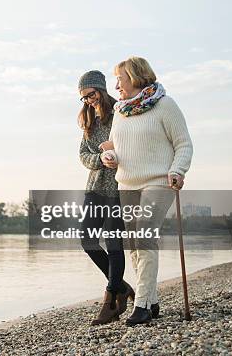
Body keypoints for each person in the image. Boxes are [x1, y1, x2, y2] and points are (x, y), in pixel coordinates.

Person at [100, 57, 193, 326]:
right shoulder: (121, 111)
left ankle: (140, 306)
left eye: (120, 78)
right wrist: (110, 156)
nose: (115, 85)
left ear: (135, 77)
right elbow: (118, 148)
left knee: (144, 237)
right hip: (127, 183)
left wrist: (178, 170)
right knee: (135, 245)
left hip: (158, 181)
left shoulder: (165, 104)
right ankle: (151, 301)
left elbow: (183, 144)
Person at [77, 70, 135, 325]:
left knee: (113, 243)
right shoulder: (89, 120)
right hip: (95, 188)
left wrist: (115, 153)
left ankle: (111, 299)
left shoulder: (121, 114)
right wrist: (99, 159)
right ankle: (121, 286)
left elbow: (133, 145)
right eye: (84, 98)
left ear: (101, 89)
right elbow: (82, 154)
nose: (89, 100)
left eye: (91, 94)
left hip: (119, 188)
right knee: (87, 240)